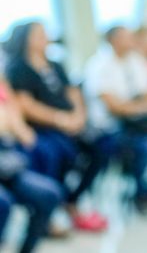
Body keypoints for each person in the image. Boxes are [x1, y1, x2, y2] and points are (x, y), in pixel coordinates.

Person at [3, 22, 108, 232]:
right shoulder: (18, 68)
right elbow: (24, 105)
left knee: (103, 144)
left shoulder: (56, 65)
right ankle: (51, 209)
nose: (45, 37)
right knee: (54, 152)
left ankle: (72, 200)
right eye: (39, 34)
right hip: (44, 126)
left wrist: (78, 116)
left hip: (69, 123)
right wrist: (60, 119)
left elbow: (73, 93)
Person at [84, 26, 147, 212]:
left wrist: (145, 105)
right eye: (126, 37)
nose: (131, 40)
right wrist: (141, 107)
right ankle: (141, 196)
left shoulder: (135, 61)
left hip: (140, 124)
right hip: (111, 129)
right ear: (112, 40)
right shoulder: (99, 65)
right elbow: (114, 107)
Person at [0, 75, 63, 252]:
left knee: (50, 193)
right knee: (3, 203)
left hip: (6, 161)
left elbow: (23, 131)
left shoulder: (2, 81)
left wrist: (13, 125)